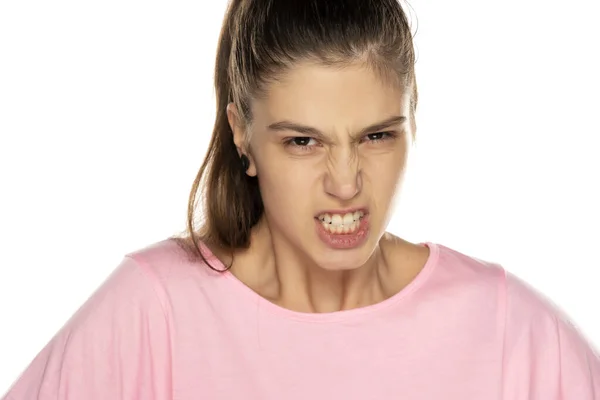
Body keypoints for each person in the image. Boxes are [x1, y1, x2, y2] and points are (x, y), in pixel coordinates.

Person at [3, 0, 600, 398]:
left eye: (376, 136)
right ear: (242, 132)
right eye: (303, 142)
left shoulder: (512, 334)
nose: (346, 182)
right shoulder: (152, 313)